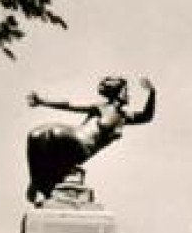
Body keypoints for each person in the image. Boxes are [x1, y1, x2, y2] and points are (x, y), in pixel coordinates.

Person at [25, 76, 157, 204]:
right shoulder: (102, 107)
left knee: (45, 147)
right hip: (76, 141)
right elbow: (69, 105)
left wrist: (152, 93)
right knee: (36, 136)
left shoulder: (124, 117)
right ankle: (37, 182)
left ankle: (39, 183)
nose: (128, 94)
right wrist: (42, 101)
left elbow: (146, 116)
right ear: (118, 93)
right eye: (126, 90)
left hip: (80, 150)